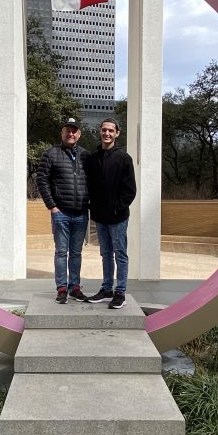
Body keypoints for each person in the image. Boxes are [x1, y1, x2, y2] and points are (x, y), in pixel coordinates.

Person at [36, 118, 91, 304]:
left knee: (76, 253)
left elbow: (93, 182)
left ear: (79, 134)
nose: (71, 134)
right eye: (68, 130)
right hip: (61, 213)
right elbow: (41, 180)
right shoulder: (51, 154)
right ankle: (61, 288)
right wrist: (52, 206)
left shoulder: (86, 156)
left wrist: (89, 204)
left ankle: (74, 287)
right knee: (61, 252)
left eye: (74, 131)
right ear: (62, 132)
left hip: (81, 214)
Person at [84, 118, 136, 309]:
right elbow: (89, 186)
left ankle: (120, 292)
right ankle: (106, 289)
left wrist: (117, 207)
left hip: (118, 217)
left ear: (117, 133)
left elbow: (130, 190)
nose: (107, 133)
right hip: (99, 216)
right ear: (100, 131)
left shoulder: (124, 158)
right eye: (104, 130)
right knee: (106, 254)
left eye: (111, 131)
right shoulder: (93, 158)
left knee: (120, 254)